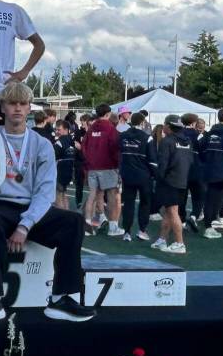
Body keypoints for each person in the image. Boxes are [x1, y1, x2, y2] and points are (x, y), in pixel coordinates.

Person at [0, 82, 89, 322]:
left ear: (29, 109)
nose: (17, 108)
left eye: (22, 104)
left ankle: (61, 298)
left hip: (31, 207)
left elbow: (46, 191)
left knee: (74, 221)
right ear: (2, 107)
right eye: (11, 103)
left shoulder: (42, 144)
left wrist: (25, 225)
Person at [150, 115, 193, 254]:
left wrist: (159, 177)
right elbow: (190, 161)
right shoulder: (187, 141)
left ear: (168, 126)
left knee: (172, 211)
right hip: (182, 180)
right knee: (168, 211)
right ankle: (162, 239)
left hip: (170, 181)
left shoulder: (166, 141)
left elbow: (162, 164)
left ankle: (180, 243)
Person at [82, 104, 123, 237]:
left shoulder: (91, 128)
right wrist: (116, 164)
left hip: (92, 167)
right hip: (108, 167)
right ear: (108, 114)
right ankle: (112, 227)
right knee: (112, 196)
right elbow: (115, 148)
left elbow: (84, 147)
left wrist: (88, 162)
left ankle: (87, 226)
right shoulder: (111, 129)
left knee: (92, 195)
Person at [199, 109, 223, 239]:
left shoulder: (210, 133)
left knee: (211, 199)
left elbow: (201, 147)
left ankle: (209, 226)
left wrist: (209, 160)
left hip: (210, 170)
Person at [119, 112, 156, 242]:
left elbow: (119, 154)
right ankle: (142, 230)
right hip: (144, 176)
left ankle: (127, 232)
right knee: (145, 203)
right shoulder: (147, 138)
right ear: (142, 122)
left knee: (128, 203)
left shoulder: (122, 136)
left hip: (127, 175)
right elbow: (152, 160)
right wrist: (154, 174)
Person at [53, 120, 76, 209]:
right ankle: (67, 213)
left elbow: (52, 156)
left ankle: (62, 217)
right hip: (70, 171)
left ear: (66, 129)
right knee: (64, 194)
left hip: (60, 171)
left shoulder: (59, 142)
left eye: (59, 130)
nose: (57, 132)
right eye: (56, 130)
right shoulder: (73, 141)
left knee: (58, 196)